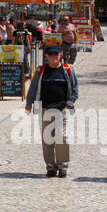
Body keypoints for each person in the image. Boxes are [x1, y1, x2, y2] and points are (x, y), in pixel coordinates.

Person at [24, 44, 78, 177]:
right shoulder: (41, 70)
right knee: (47, 139)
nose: (54, 57)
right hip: (45, 109)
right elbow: (33, 87)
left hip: (62, 109)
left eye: (56, 54)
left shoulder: (68, 70)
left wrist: (70, 102)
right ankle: (50, 167)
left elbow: (75, 88)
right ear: (47, 56)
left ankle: (63, 166)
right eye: (51, 54)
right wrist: (29, 103)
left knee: (62, 137)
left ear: (60, 55)